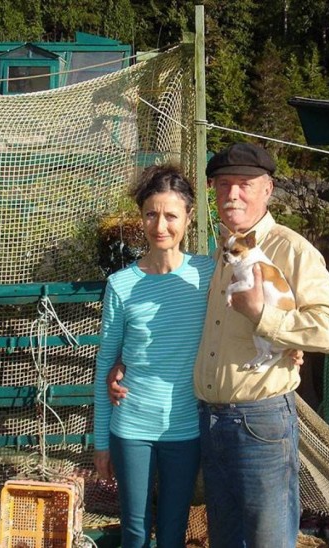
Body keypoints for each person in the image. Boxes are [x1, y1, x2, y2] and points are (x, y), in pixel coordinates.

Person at [111, 142, 329, 547]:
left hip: (260, 420)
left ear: (267, 190)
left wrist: (264, 318)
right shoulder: (221, 251)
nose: (232, 195)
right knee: (226, 537)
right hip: (212, 422)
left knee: (265, 538)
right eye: (223, 186)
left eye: (244, 185)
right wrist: (123, 361)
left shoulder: (290, 249)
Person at [93, 164, 215, 548]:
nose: (160, 225)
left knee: (174, 529)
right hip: (130, 429)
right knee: (134, 531)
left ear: (189, 218)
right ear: (141, 217)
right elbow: (104, 365)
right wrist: (100, 444)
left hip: (187, 429)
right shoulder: (121, 285)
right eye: (151, 214)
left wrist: (288, 345)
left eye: (171, 215)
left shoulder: (209, 274)